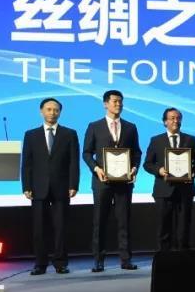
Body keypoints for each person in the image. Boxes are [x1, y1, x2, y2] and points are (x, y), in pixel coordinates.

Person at [82, 89, 141, 271]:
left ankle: (126, 259)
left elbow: (137, 152)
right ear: (105, 104)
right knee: (100, 221)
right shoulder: (94, 126)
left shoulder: (130, 127)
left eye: (121, 101)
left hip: (124, 183)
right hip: (102, 181)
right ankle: (98, 260)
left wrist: (134, 168)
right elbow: (86, 153)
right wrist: (96, 169)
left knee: (124, 221)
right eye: (115, 101)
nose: (118, 104)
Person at [21, 97, 79, 275]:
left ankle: (61, 262)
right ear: (41, 111)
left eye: (56, 110)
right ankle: (40, 263)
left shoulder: (69, 133)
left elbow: (73, 162)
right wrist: (26, 186)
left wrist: (73, 184)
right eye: (48, 109)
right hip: (38, 187)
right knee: (39, 228)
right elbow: (27, 163)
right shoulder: (31, 135)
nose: (52, 113)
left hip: (62, 187)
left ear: (60, 112)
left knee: (61, 227)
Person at [143, 107, 195, 251]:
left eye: (178, 118)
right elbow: (147, 164)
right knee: (164, 227)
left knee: (184, 227)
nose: (176, 121)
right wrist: (159, 170)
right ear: (165, 122)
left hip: (185, 190)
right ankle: (164, 257)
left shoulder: (191, 139)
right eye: (172, 118)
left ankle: (183, 256)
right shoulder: (156, 140)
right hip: (163, 190)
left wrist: (193, 174)